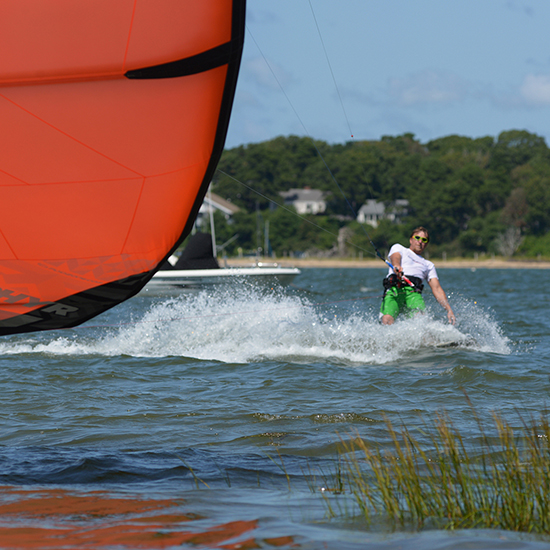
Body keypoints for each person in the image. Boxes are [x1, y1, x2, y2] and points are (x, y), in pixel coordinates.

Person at [380, 227, 456, 325]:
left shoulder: (428, 265)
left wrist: (448, 309)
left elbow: (436, 288)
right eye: (417, 238)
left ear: (426, 244)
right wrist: (397, 266)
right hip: (395, 290)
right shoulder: (399, 248)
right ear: (411, 240)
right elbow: (395, 257)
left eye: (424, 240)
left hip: (413, 294)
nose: (420, 241)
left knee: (420, 320)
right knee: (387, 319)